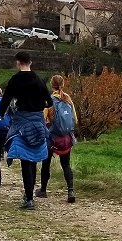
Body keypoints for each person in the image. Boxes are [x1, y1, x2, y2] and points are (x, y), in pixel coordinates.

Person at [1, 51, 52, 210]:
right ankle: (29, 195)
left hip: (21, 123)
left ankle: (29, 198)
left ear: (18, 63)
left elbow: (6, 100)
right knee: (34, 159)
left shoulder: (15, 80)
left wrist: (2, 114)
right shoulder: (38, 80)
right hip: (38, 123)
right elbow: (49, 102)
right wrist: (37, 106)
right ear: (31, 62)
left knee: (25, 160)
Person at [36, 74, 78, 203]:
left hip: (52, 138)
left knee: (46, 163)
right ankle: (70, 190)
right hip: (66, 138)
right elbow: (75, 120)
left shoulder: (48, 100)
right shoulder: (68, 99)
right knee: (66, 165)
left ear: (51, 85)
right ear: (63, 85)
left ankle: (43, 190)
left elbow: (42, 119)